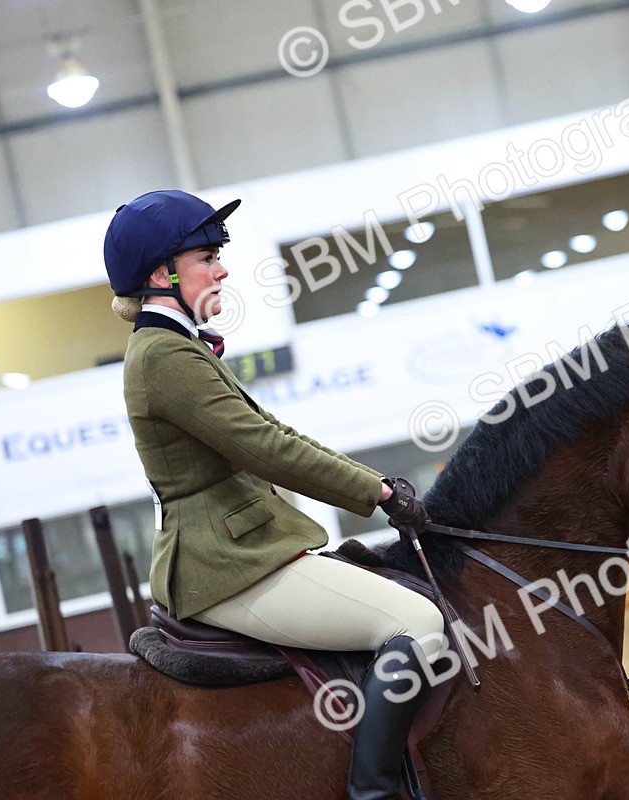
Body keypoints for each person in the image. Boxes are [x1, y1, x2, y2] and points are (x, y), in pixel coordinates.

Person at [104, 189, 443, 800]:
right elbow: (266, 449)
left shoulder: (179, 345)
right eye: (207, 256)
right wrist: (377, 494)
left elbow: (278, 434)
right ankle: (375, 793)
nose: (222, 268)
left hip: (250, 548)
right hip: (227, 565)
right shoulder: (161, 357)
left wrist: (377, 485)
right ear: (161, 273)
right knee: (418, 624)